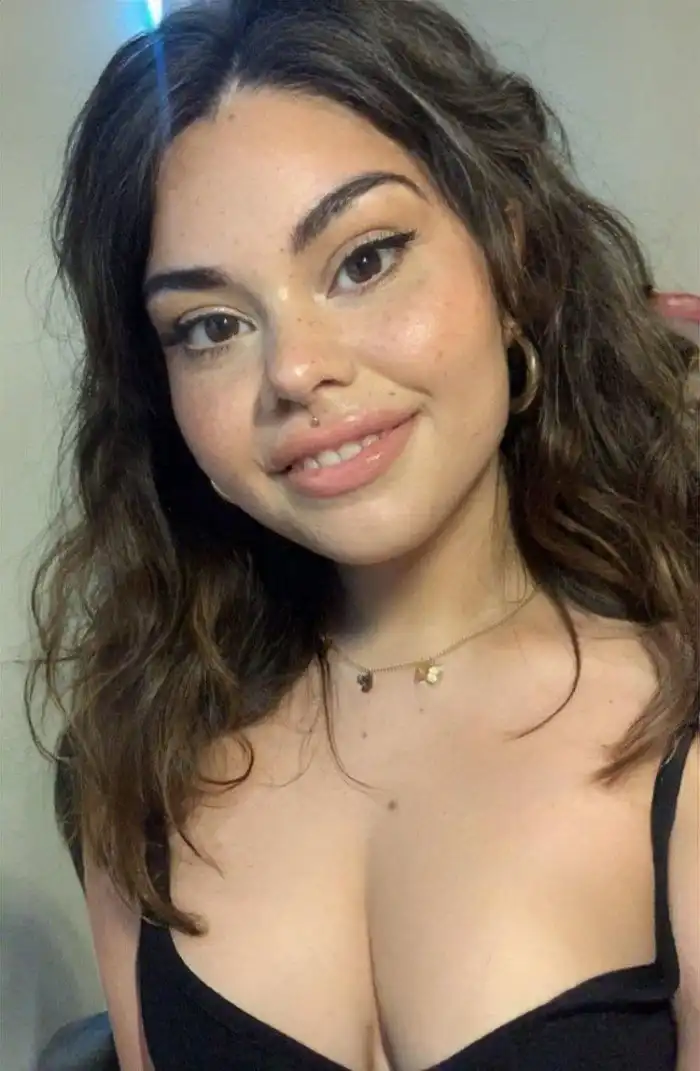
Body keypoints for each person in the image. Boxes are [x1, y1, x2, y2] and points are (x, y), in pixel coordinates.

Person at [26, 1, 698, 1069]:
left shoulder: (679, 722)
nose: (296, 369)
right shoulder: (134, 756)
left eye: (365, 259)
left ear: (510, 256)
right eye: (211, 326)